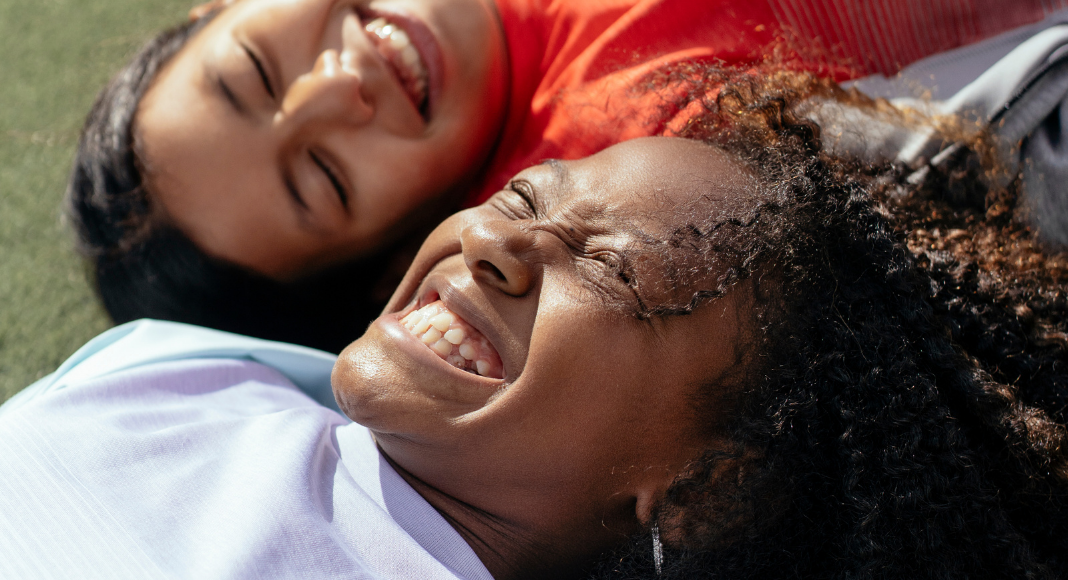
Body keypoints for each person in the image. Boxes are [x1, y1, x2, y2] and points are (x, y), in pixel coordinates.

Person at [9, 65, 1066, 578]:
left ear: (706, 486)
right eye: (522, 197)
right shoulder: (176, 367)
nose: (496, 243)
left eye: (606, 267)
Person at [66, 0, 1067, 352]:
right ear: (387, 272)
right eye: (325, 177)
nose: (338, 90)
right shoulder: (634, 150)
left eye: (254, 69)